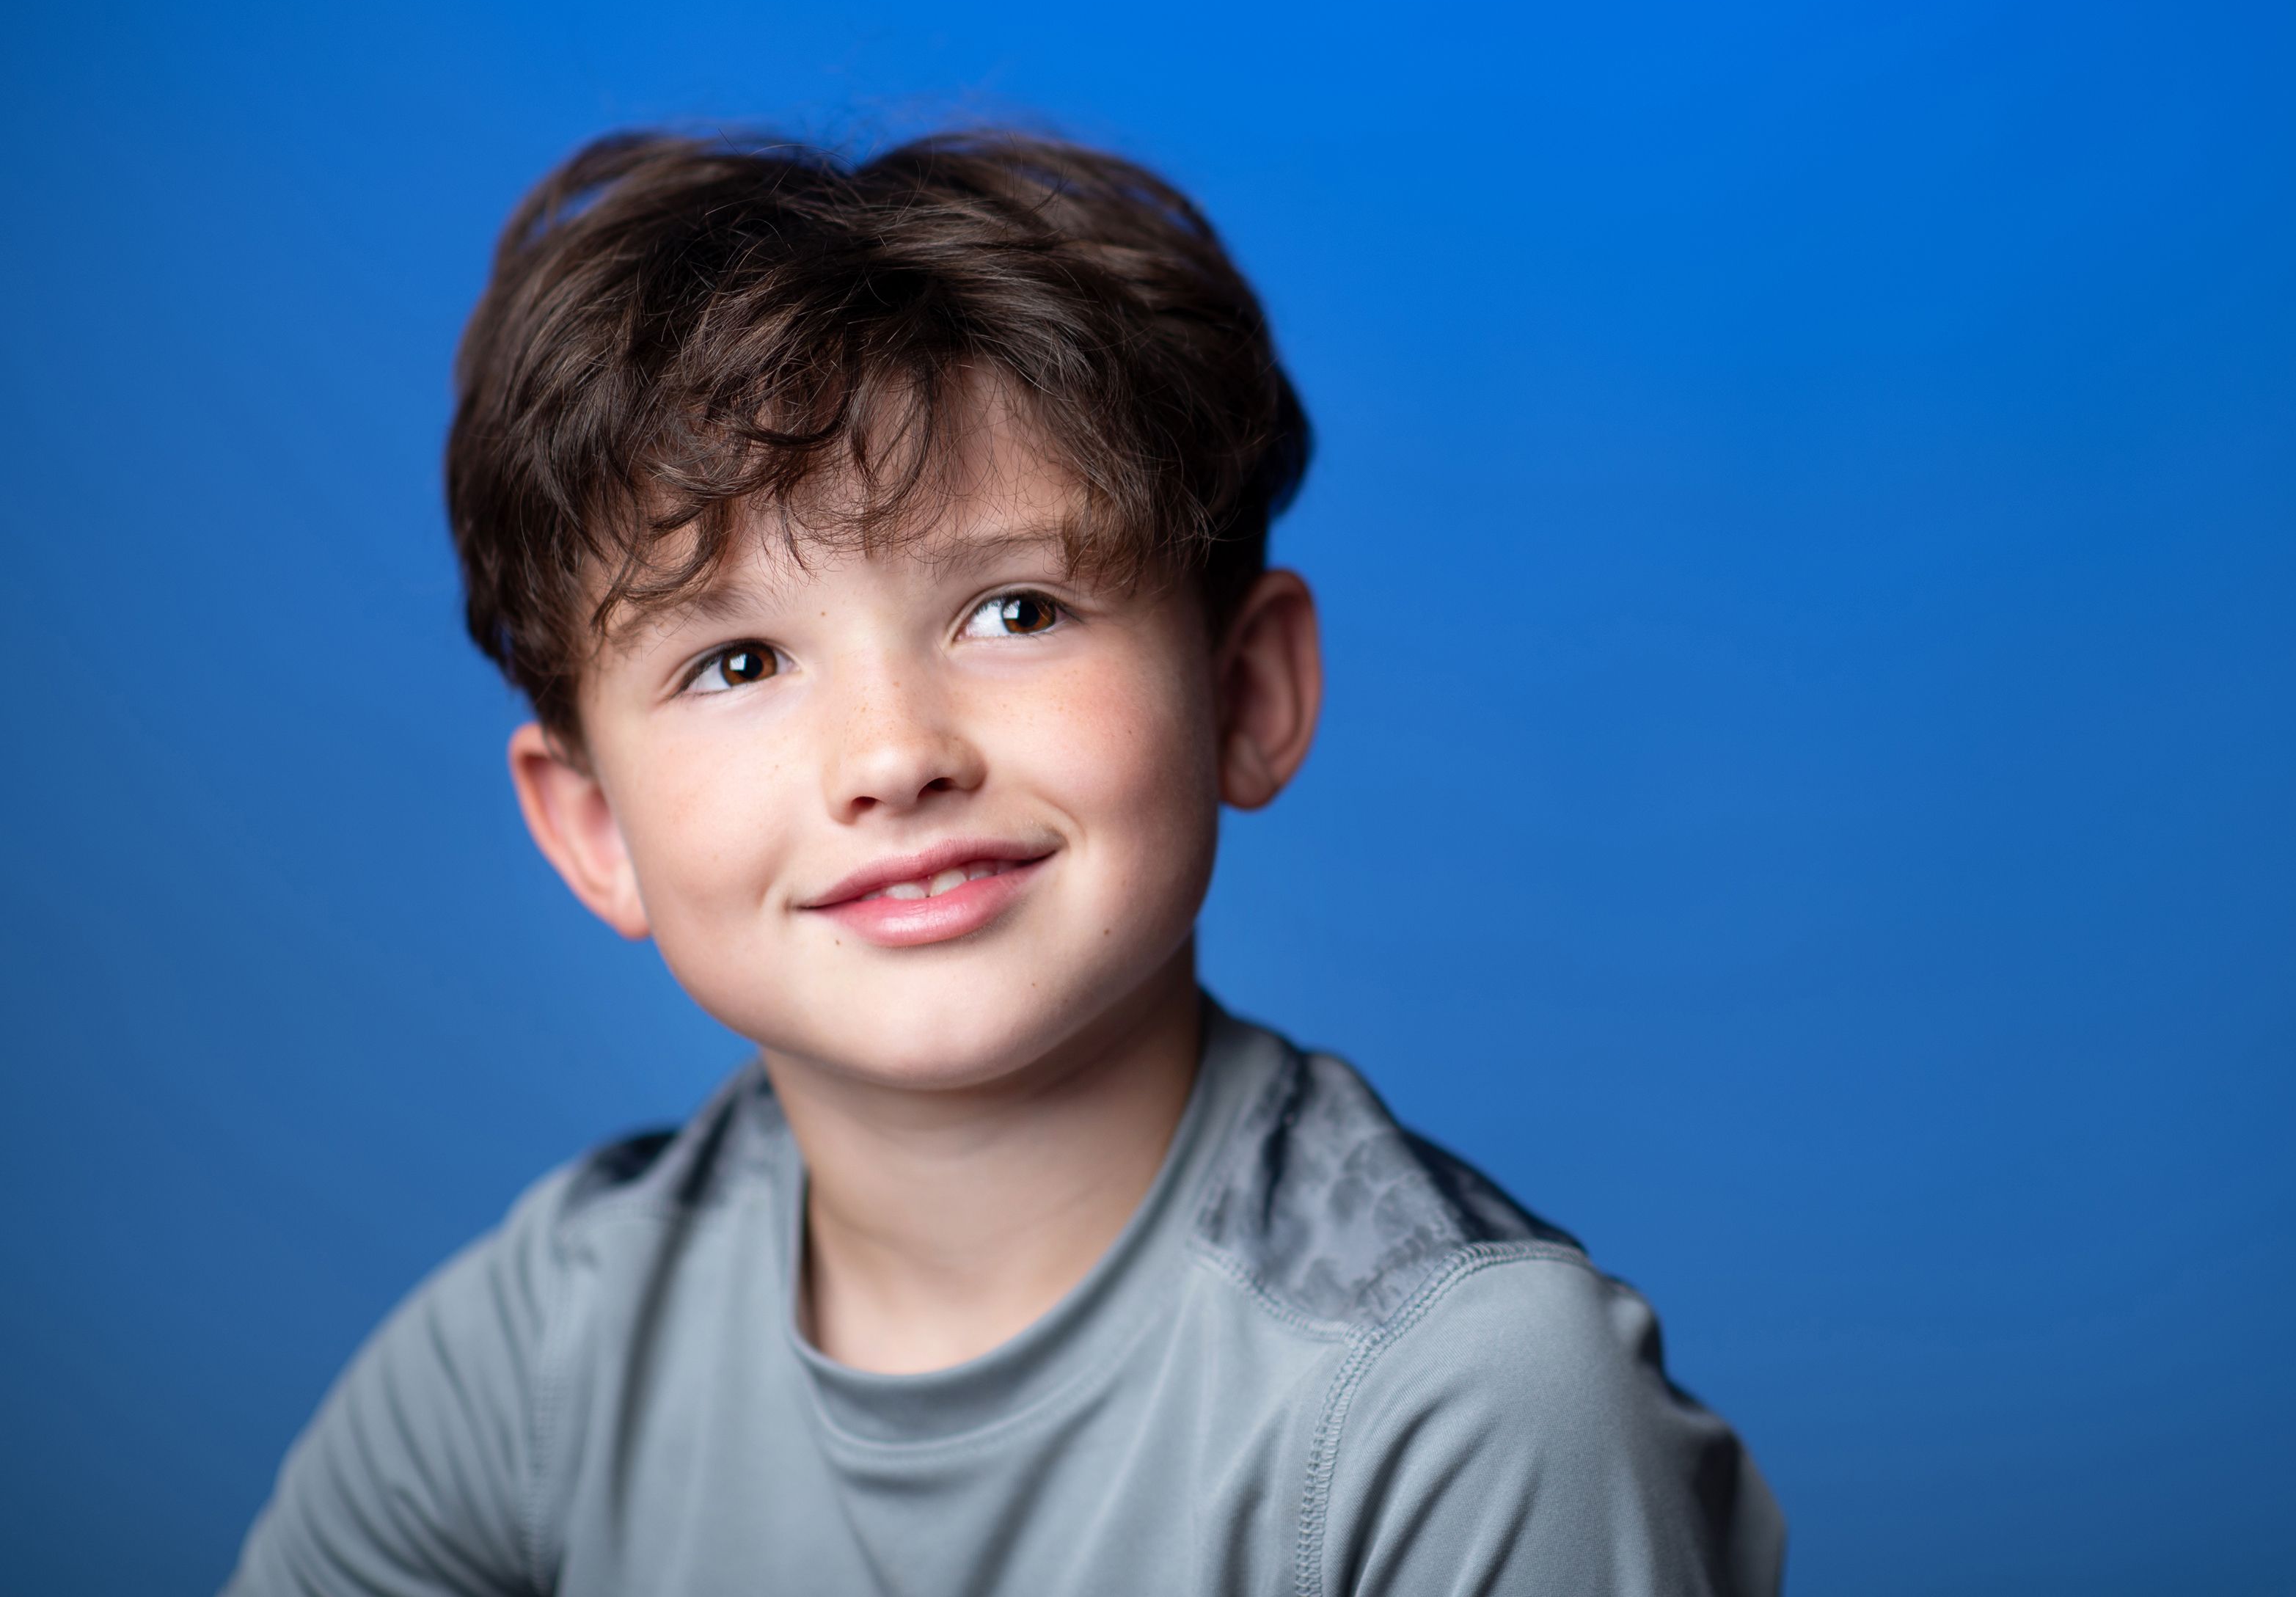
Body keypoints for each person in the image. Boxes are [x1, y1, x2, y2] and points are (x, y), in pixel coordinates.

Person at [224, 128, 1784, 1596]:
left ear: (1246, 694)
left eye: (1015, 611)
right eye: (740, 661)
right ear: (593, 832)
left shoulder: (1457, 1405)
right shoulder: (539, 1351)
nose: (893, 754)